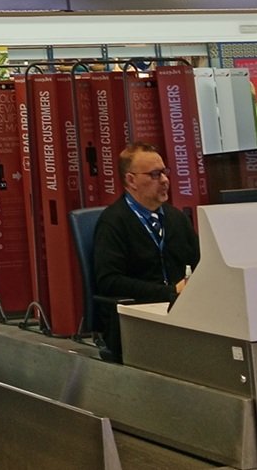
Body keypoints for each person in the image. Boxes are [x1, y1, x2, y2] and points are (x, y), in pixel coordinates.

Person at [91, 141, 200, 355]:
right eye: (155, 175)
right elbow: (109, 282)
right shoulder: (113, 222)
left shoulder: (176, 218)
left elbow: (201, 262)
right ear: (131, 180)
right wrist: (169, 292)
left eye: (165, 172)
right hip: (135, 318)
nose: (165, 180)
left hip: (181, 312)